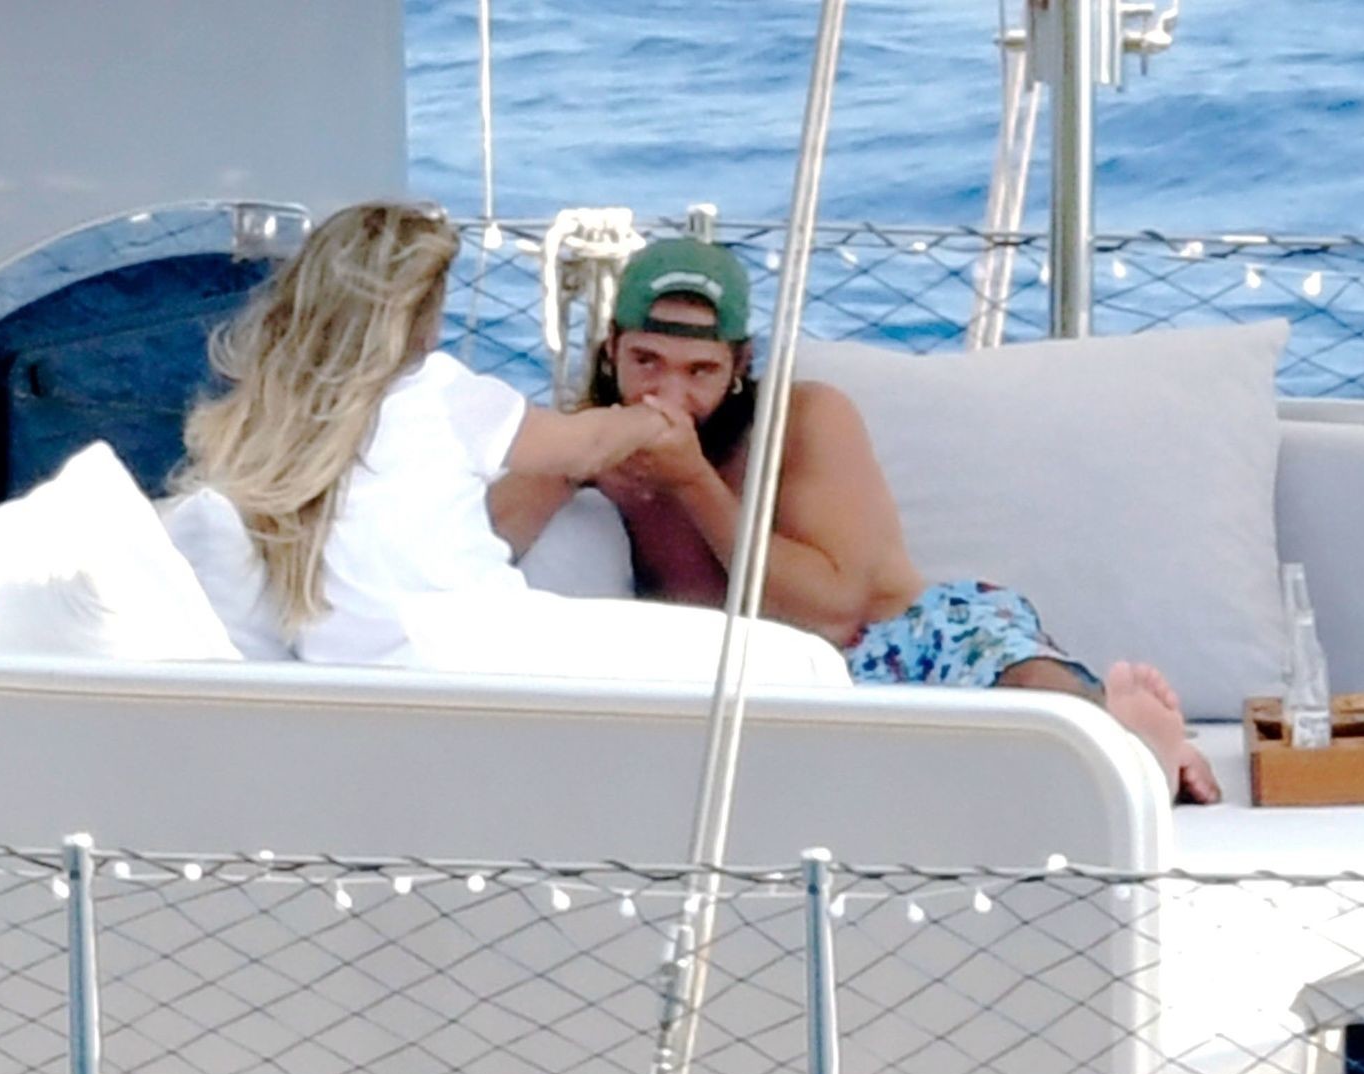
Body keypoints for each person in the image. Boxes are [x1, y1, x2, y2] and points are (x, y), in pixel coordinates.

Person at [490, 237, 1220, 804]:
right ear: (610, 352)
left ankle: (1132, 747)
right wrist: (572, 462)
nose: (667, 392)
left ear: (739, 364)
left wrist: (693, 481)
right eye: (646, 361)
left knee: (1028, 689)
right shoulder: (587, 443)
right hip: (770, 685)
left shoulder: (803, 419)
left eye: (698, 371)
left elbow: (834, 609)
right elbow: (481, 547)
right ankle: (1132, 753)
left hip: (900, 635)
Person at [174, 201, 678, 666]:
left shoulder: (272, 415)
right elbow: (584, 449)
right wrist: (654, 417)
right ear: (420, 318)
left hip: (348, 669)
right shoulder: (440, 391)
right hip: (474, 656)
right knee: (595, 529)